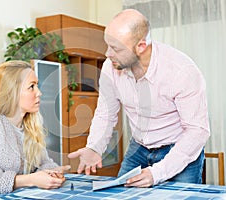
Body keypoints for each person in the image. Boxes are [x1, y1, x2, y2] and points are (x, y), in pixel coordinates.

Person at [68, 9, 210, 187]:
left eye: (116, 48)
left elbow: (197, 132)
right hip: (139, 147)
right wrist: (94, 147)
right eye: (108, 45)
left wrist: (157, 173)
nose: (107, 54)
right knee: (119, 194)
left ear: (141, 46)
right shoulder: (110, 67)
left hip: (178, 148)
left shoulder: (181, 71)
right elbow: (106, 112)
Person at [0, 60, 70, 196]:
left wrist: (53, 173)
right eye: (31, 87)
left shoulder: (30, 126)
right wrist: (30, 180)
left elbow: (43, 163)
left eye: (37, 86)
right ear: (12, 91)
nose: (39, 93)